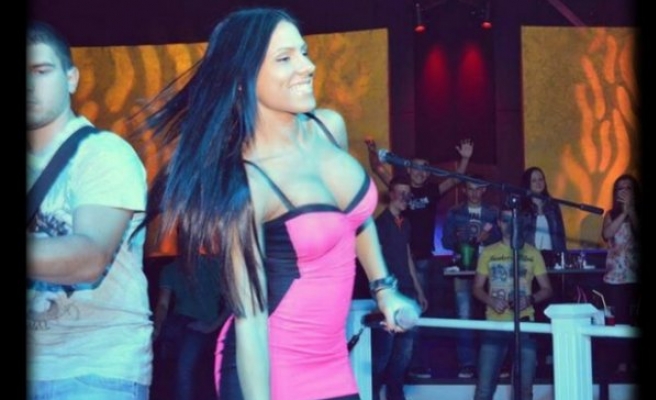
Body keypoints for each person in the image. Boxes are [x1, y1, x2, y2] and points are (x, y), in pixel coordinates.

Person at [138, 8, 420, 400]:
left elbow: (355, 220)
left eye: (303, 52)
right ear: (243, 79)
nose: (307, 66)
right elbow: (250, 320)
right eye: (285, 58)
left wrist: (383, 288)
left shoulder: (328, 128)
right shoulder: (246, 182)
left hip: (334, 363)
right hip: (270, 368)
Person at [27, 21, 152, 400]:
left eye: (40, 71)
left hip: (94, 369)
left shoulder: (102, 153)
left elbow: (89, 257)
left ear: (71, 79)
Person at [367, 138, 473, 378]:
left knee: (418, 313)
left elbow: (456, 179)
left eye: (425, 168)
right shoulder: (401, 190)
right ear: (409, 169)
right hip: (399, 261)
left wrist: (465, 158)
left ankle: (416, 364)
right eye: (416, 167)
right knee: (399, 317)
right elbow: (378, 168)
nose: (420, 171)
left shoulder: (431, 191)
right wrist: (373, 152)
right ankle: (407, 368)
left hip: (423, 260)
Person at [471, 206, 553, 400]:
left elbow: (547, 289)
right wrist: (491, 301)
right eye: (506, 220)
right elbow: (476, 288)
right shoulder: (489, 252)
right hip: (494, 324)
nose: (510, 224)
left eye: (513, 219)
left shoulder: (533, 253)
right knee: (484, 389)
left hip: (525, 323)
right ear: (499, 223)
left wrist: (530, 299)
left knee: (524, 390)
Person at [371, 176, 428, 400]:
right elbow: (373, 260)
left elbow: (407, 258)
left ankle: (395, 395)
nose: (405, 197)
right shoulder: (379, 224)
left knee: (404, 353)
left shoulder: (405, 223)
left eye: (408, 193)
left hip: (407, 292)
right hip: (390, 294)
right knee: (383, 353)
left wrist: (419, 290)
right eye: (401, 193)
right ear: (391, 194)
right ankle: (373, 394)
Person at [441, 176, 501, 379]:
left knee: (494, 312)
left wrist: (489, 237)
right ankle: (467, 364)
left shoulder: (494, 212)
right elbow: (445, 241)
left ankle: (494, 363)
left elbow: (504, 238)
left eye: (478, 189)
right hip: (463, 268)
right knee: (464, 315)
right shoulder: (454, 212)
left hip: (491, 269)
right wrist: (464, 239)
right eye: (470, 189)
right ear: (464, 190)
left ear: (484, 190)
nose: (474, 193)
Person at [152, 257, 225, 400]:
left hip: (204, 323)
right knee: (156, 355)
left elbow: (232, 305)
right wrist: (157, 327)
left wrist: (212, 326)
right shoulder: (170, 269)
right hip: (178, 321)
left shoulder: (215, 266)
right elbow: (163, 305)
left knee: (184, 369)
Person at [600, 173, 640, 376]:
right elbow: (607, 234)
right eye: (620, 188)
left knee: (635, 320)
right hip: (615, 276)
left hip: (635, 274)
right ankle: (621, 363)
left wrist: (631, 211)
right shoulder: (611, 214)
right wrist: (623, 213)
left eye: (628, 188)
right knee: (620, 320)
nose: (624, 192)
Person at [520, 166, 567, 252]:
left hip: (552, 255)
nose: (538, 183)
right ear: (528, 183)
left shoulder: (553, 206)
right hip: (530, 256)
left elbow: (560, 235)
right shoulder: (522, 208)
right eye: (534, 181)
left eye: (540, 179)